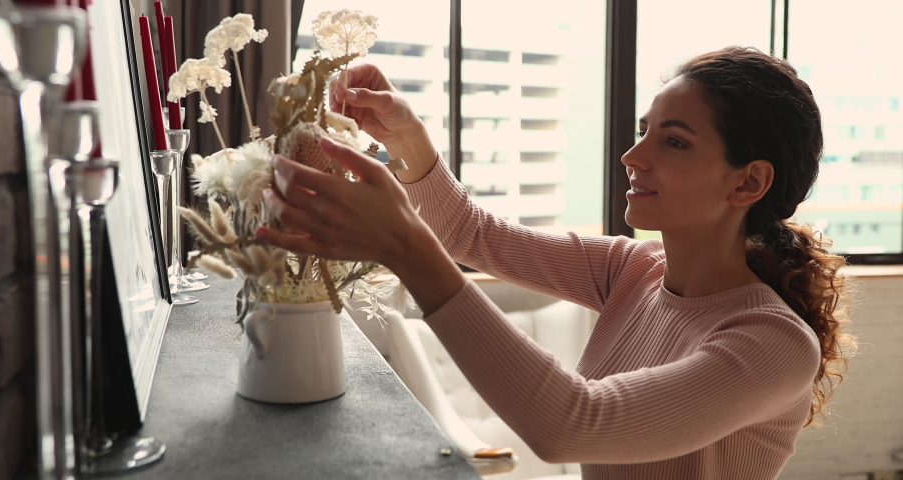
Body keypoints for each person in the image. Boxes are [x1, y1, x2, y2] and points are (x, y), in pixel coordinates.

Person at [256, 46, 856, 479]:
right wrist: (406, 137)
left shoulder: (772, 344)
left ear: (748, 182)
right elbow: (471, 235)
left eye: (673, 141)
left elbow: (575, 424)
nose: (631, 154)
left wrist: (407, 249)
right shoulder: (636, 269)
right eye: (644, 130)